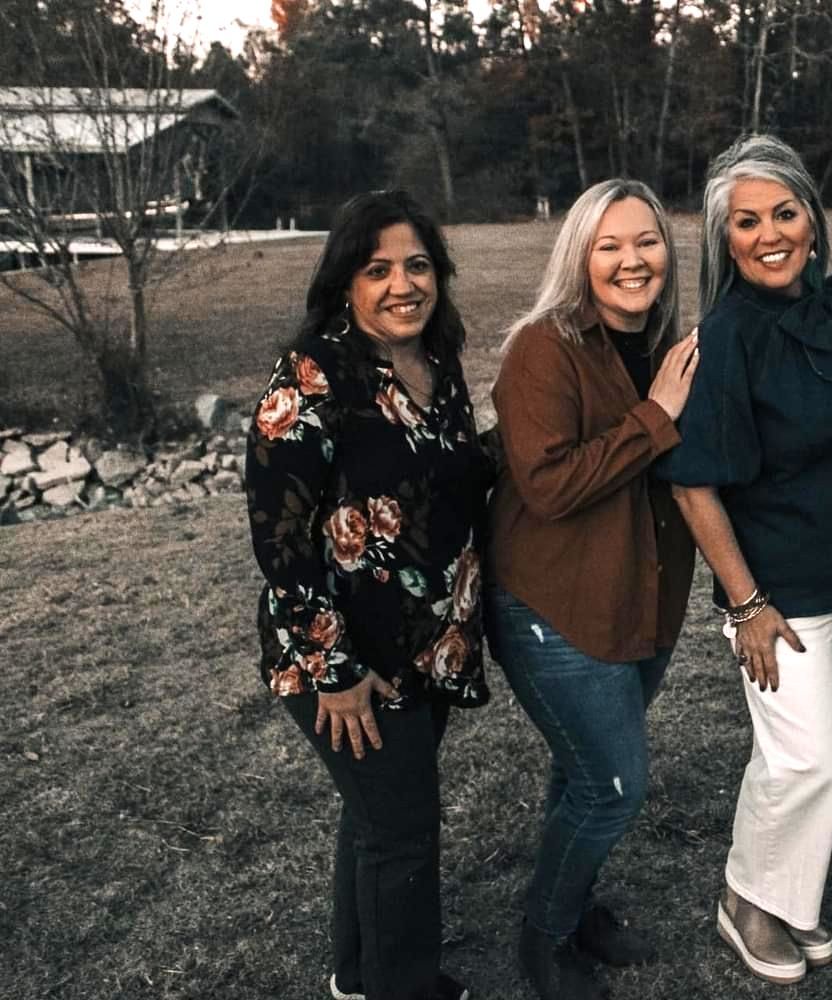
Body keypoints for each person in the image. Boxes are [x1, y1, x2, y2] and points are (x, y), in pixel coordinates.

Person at [655, 134, 832, 986]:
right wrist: (746, 604)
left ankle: (789, 900)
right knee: (806, 758)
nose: (768, 235)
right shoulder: (725, 338)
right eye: (746, 222)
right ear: (725, 240)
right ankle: (745, 900)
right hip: (780, 598)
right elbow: (693, 485)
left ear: (812, 220)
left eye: (783, 213)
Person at [245, 189, 490, 1000]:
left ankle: (358, 975)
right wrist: (337, 670)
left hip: (427, 647)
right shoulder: (313, 375)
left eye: (417, 265)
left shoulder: (438, 365)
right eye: (378, 269)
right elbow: (279, 539)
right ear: (345, 281)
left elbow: (455, 481)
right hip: (347, 659)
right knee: (402, 829)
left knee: (378, 816)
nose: (402, 285)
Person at [484, 179, 700, 1000]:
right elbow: (549, 485)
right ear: (579, 257)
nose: (630, 261)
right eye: (609, 246)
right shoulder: (543, 348)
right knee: (612, 787)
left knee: (579, 774)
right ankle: (545, 938)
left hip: (640, 600)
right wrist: (657, 414)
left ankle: (573, 912)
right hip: (557, 604)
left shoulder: (667, 346)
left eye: (646, 241)